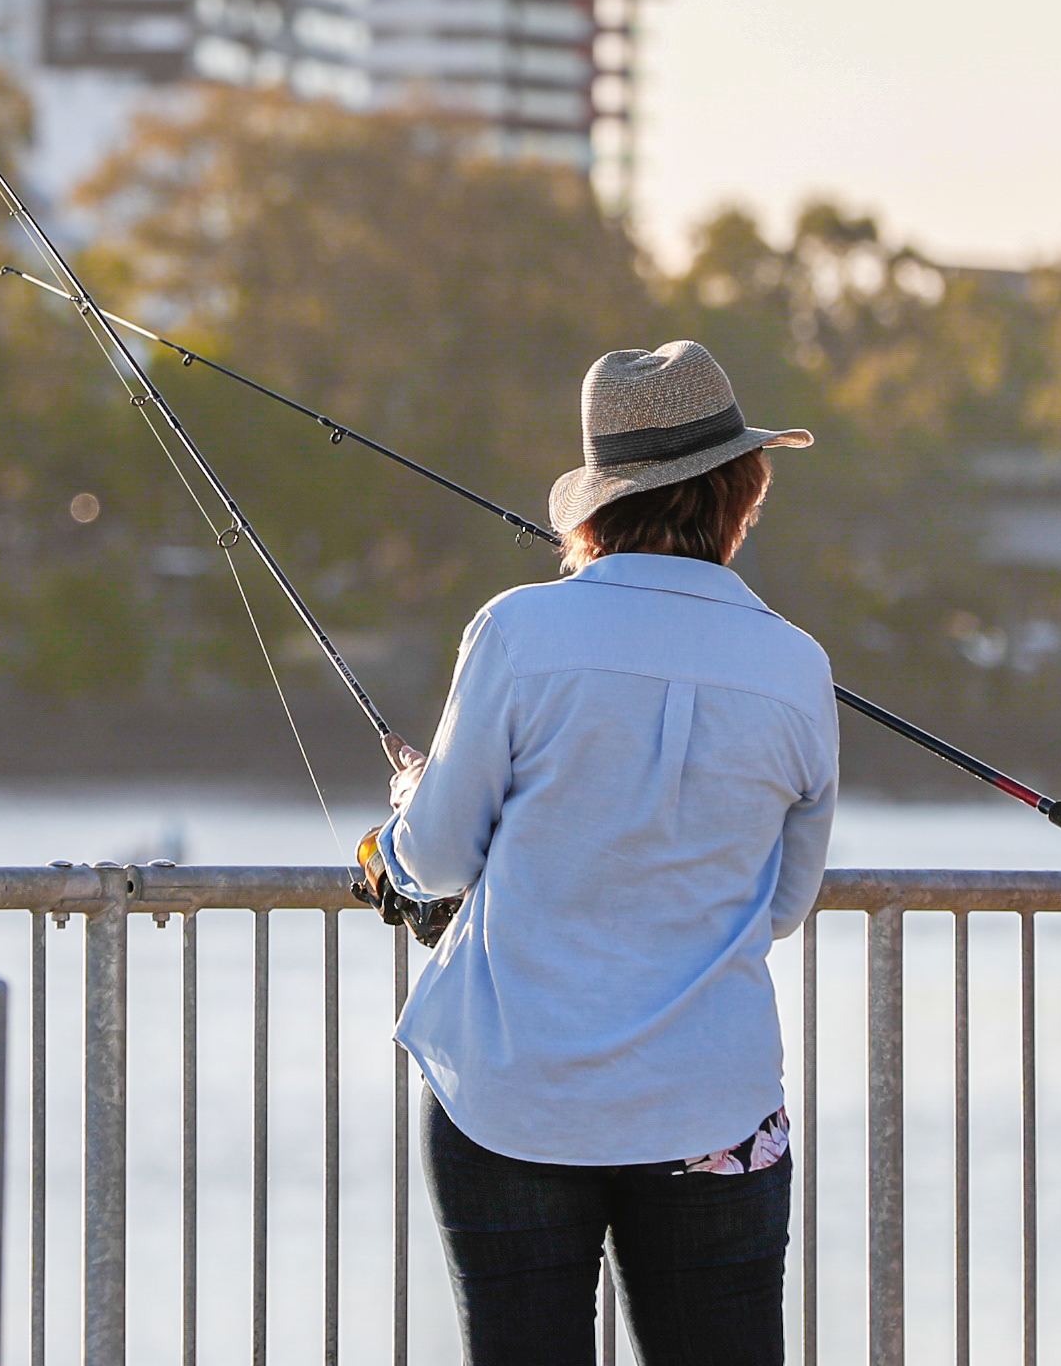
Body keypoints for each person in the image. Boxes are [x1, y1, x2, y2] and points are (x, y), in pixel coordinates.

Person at [367, 341, 836, 1366]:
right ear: (742, 493)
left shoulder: (518, 633)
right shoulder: (799, 667)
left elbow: (437, 860)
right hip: (714, 1103)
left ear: (596, 501)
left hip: (513, 1096)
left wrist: (401, 820)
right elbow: (784, 902)